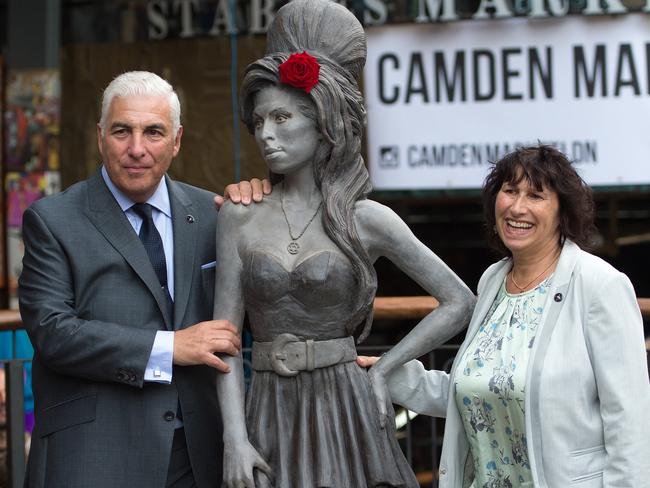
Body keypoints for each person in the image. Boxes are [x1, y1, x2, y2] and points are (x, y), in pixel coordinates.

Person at [212, 1, 475, 487]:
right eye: (259, 121)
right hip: (267, 409)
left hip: (347, 409)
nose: (266, 135)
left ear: (323, 122)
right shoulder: (238, 216)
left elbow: (459, 301)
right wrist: (234, 437)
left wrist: (386, 369)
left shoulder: (367, 219)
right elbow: (225, 340)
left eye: (283, 117)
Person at [360, 145, 650, 487]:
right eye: (510, 191)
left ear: (562, 212)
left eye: (536, 195)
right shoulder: (493, 280)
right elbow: (481, 391)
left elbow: (629, 421)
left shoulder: (600, 285)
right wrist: (385, 372)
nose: (517, 207)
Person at [18, 71, 245, 488]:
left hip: (201, 455)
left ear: (176, 141)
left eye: (153, 132)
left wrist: (265, 210)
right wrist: (170, 347)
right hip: (96, 455)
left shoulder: (216, 214)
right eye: (122, 131)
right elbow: (53, 333)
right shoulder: (52, 220)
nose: (137, 149)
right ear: (100, 136)